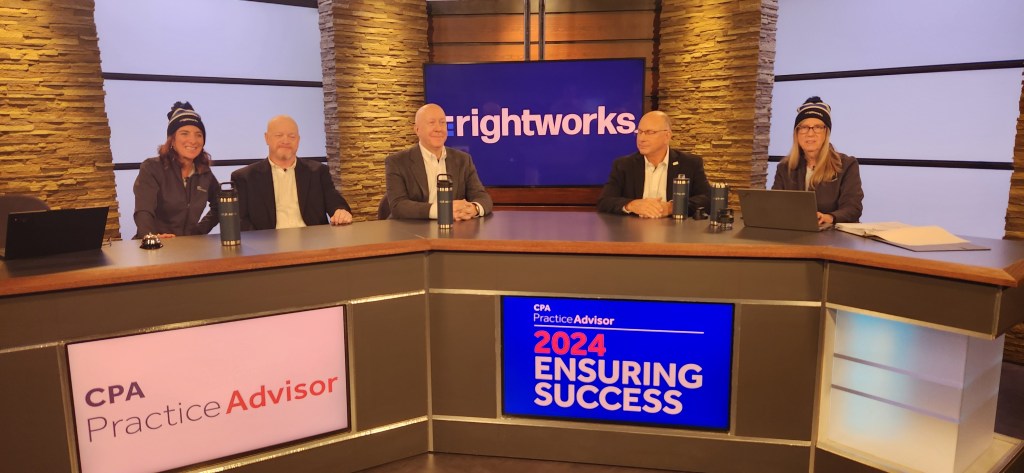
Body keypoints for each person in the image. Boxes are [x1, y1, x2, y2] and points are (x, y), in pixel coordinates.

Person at [231, 115, 353, 230]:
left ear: (298, 140)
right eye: (279, 135)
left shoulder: (318, 171)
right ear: (267, 138)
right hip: (268, 242)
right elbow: (240, 221)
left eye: (292, 136)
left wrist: (341, 212)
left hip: (312, 240)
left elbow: (336, 204)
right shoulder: (244, 178)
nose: (286, 140)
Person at [385, 103, 493, 220]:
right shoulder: (397, 162)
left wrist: (474, 208)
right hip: (412, 228)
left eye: (442, 123)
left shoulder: (463, 160)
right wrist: (443, 211)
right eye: (431, 123)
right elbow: (398, 206)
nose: (439, 129)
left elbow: (482, 197)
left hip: (455, 228)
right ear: (417, 129)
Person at [597, 111, 710, 218]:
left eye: (650, 132)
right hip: (633, 230)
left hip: (675, 230)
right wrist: (632, 205)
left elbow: (707, 199)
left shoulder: (690, 163)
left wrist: (672, 207)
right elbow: (604, 201)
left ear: (667, 136)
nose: (641, 138)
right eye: (639, 132)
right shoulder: (624, 165)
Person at [133, 101, 219, 239]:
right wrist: (151, 237)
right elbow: (143, 210)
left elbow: (221, 205)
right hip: (156, 245)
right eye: (185, 133)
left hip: (189, 247)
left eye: (198, 134)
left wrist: (198, 232)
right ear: (172, 140)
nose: (193, 140)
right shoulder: (151, 168)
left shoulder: (205, 173)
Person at [772, 96, 863, 224]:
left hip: (832, 233)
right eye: (804, 127)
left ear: (826, 133)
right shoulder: (784, 167)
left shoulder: (847, 165)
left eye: (818, 127)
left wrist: (829, 217)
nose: (810, 134)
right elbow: (775, 206)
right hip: (794, 231)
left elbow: (853, 208)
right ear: (796, 133)